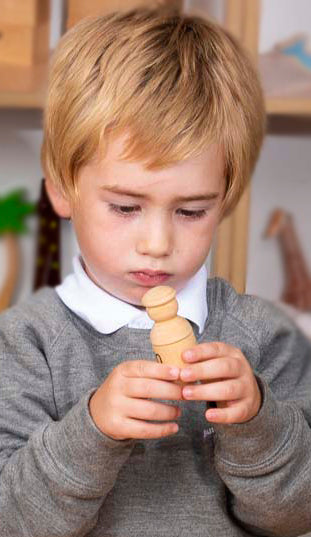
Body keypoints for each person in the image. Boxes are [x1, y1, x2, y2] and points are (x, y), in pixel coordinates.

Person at [1, 7, 311, 537]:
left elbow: (295, 515)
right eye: (125, 207)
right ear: (61, 190)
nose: (158, 244)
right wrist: (93, 429)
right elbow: (13, 520)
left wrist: (256, 422)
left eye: (191, 212)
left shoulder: (262, 337)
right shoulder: (26, 343)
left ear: (226, 198)